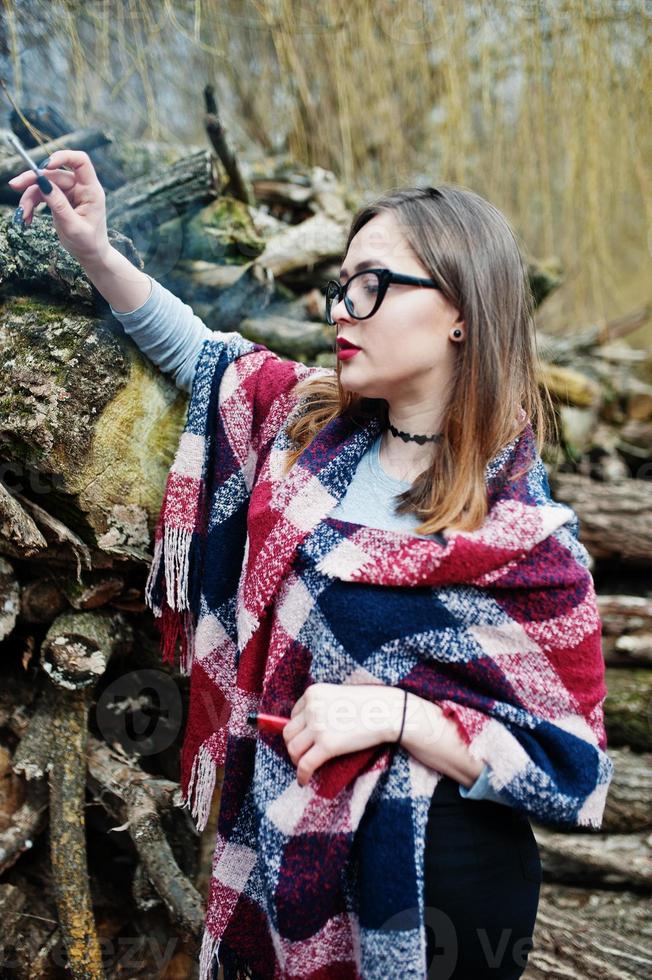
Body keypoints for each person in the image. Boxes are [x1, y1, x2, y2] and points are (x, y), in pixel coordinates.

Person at [8, 154, 613, 980]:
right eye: (340, 284)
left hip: (446, 893)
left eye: (372, 284)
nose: (341, 309)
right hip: (284, 858)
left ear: (461, 312)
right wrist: (95, 251)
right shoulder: (309, 431)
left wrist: (400, 717)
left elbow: (569, 768)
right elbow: (205, 357)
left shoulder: (527, 539)